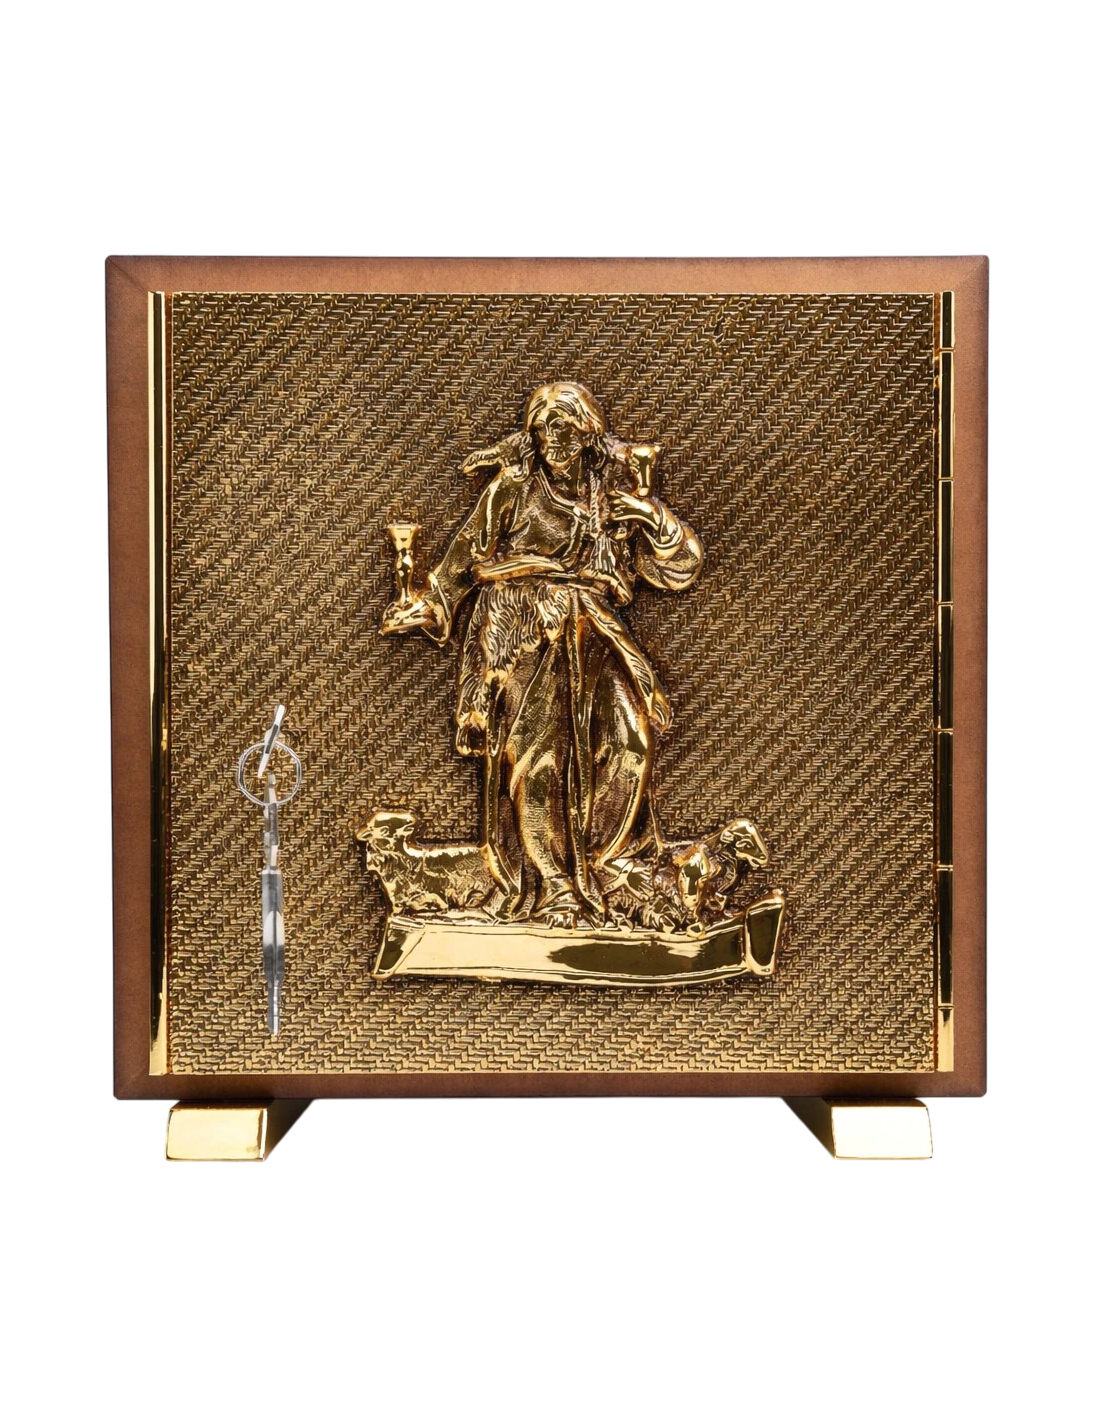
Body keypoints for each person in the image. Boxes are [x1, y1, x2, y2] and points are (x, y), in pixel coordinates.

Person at [382, 381, 702, 928]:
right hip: (524, 630)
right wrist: (430, 604)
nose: (553, 439)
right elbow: (464, 557)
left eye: (564, 427)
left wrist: (651, 516)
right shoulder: (513, 488)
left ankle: (603, 866)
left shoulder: (612, 492)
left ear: (586, 432)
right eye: (543, 428)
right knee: (539, 760)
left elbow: (677, 570)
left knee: (629, 744)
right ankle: (554, 886)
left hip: (593, 631)